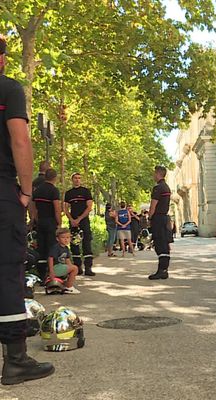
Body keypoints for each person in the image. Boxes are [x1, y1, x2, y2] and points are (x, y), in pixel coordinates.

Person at [0, 34, 54, 385]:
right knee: (6, 271)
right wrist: (25, 191)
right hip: (2, 192)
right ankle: (15, 360)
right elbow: (20, 140)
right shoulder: (8, 89)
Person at [31, 168, 61, 279]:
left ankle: (42, 274)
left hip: (40, 221)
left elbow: (33, 207)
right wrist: (59, 222)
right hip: (50, 221)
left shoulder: (37, 190)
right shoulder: (54, 190)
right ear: (55, 178)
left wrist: (35, 219)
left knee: (41, 247)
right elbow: (57, 208)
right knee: (52, 247)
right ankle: (52, 272)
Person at [63, 172, 95, 276]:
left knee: (86, 243)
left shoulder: (86, 192)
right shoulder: (69, 193)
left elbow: (89, 207)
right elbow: (65, 208)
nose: (77, 180)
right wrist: (72, 219)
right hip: (73, 222)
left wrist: (80, 219)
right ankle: (78, 268)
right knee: (74, 244)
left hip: (84, 221)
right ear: (72, 180)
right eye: (75, 178)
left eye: (79, 178)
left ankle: (88, 268)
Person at [148, 166, 172, 280]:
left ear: (158, 174)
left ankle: (161, 270)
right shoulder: (166, 187)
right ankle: (164, 269)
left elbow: (153, 205)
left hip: (158, 218)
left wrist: (150, 217)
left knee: (159, 243)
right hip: (165, 218)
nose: (153, 175)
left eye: (154, 173)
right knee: (164, 243)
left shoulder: (158, 188)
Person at [47, 228, 79, 294]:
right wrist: (51, 271)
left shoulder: (66, 248)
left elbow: (67, 260)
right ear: (57, 239)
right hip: (55, 267)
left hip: (61, 267)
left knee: (74, 268)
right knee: (75, 268)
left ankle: (66, 284)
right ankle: (69, 287)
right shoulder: (56, 248)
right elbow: (50, 258)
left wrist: (71, 268)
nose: (66, 239)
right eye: (63, 237)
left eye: (68, 237)